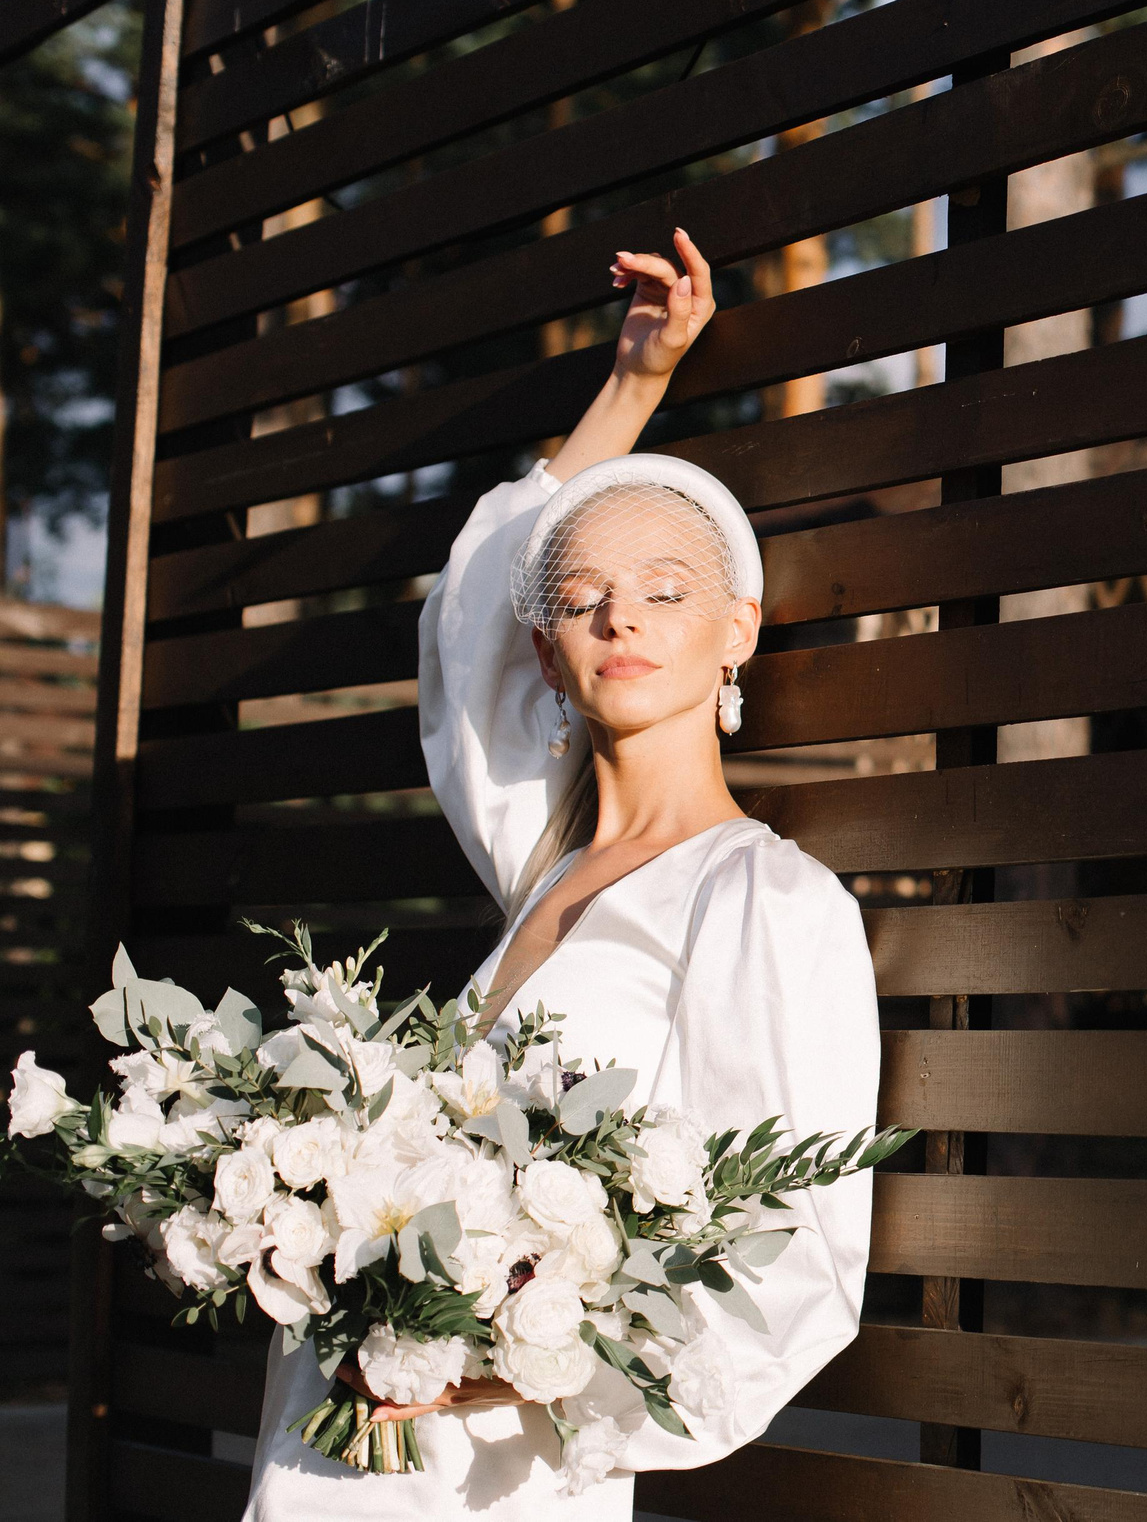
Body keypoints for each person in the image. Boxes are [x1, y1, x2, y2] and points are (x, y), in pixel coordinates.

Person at [241, 229, 883, 1519]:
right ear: (551, 653)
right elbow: (470, 621)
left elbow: (799, 1252)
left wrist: (530, 1373)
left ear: (735, 630)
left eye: (665, 588)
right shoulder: (542, 863)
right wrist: (633, 384)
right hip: (339, 1425)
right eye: (585, 597)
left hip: (504, 1463)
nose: (622, 618)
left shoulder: (768, 904)